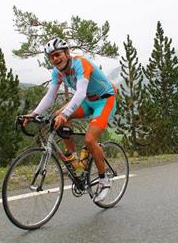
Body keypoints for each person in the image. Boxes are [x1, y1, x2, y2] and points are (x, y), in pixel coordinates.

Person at [23, 38, 117, 202]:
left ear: (67, 53)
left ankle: (104, 181)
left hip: (105, 100)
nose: (55, 59)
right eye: (51, 57)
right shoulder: (57, 72)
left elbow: (80, 93)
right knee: (58, 115)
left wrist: (65, 114)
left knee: (89, 139)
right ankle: (74, 159)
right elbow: (50, 96)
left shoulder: (80, 63)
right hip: (88, 101)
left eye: (57, 54)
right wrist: (33, 114)